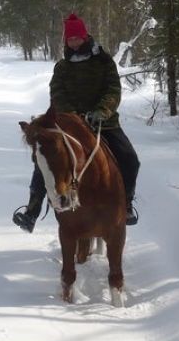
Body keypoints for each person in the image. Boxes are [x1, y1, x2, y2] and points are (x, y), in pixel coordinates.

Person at [13, 13, 140, 232]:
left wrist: (102, 111)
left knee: (130, 159)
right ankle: (32, 210)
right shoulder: (62, 66)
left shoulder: (104, 61)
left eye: (76, 38)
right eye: (69, 39)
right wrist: (72, 116)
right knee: (44, 161)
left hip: (104, 123)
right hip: (70, 125)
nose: (73, 42)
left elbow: (113, 89)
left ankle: (126, 204)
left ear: (84, 36)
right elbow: (57, 92)